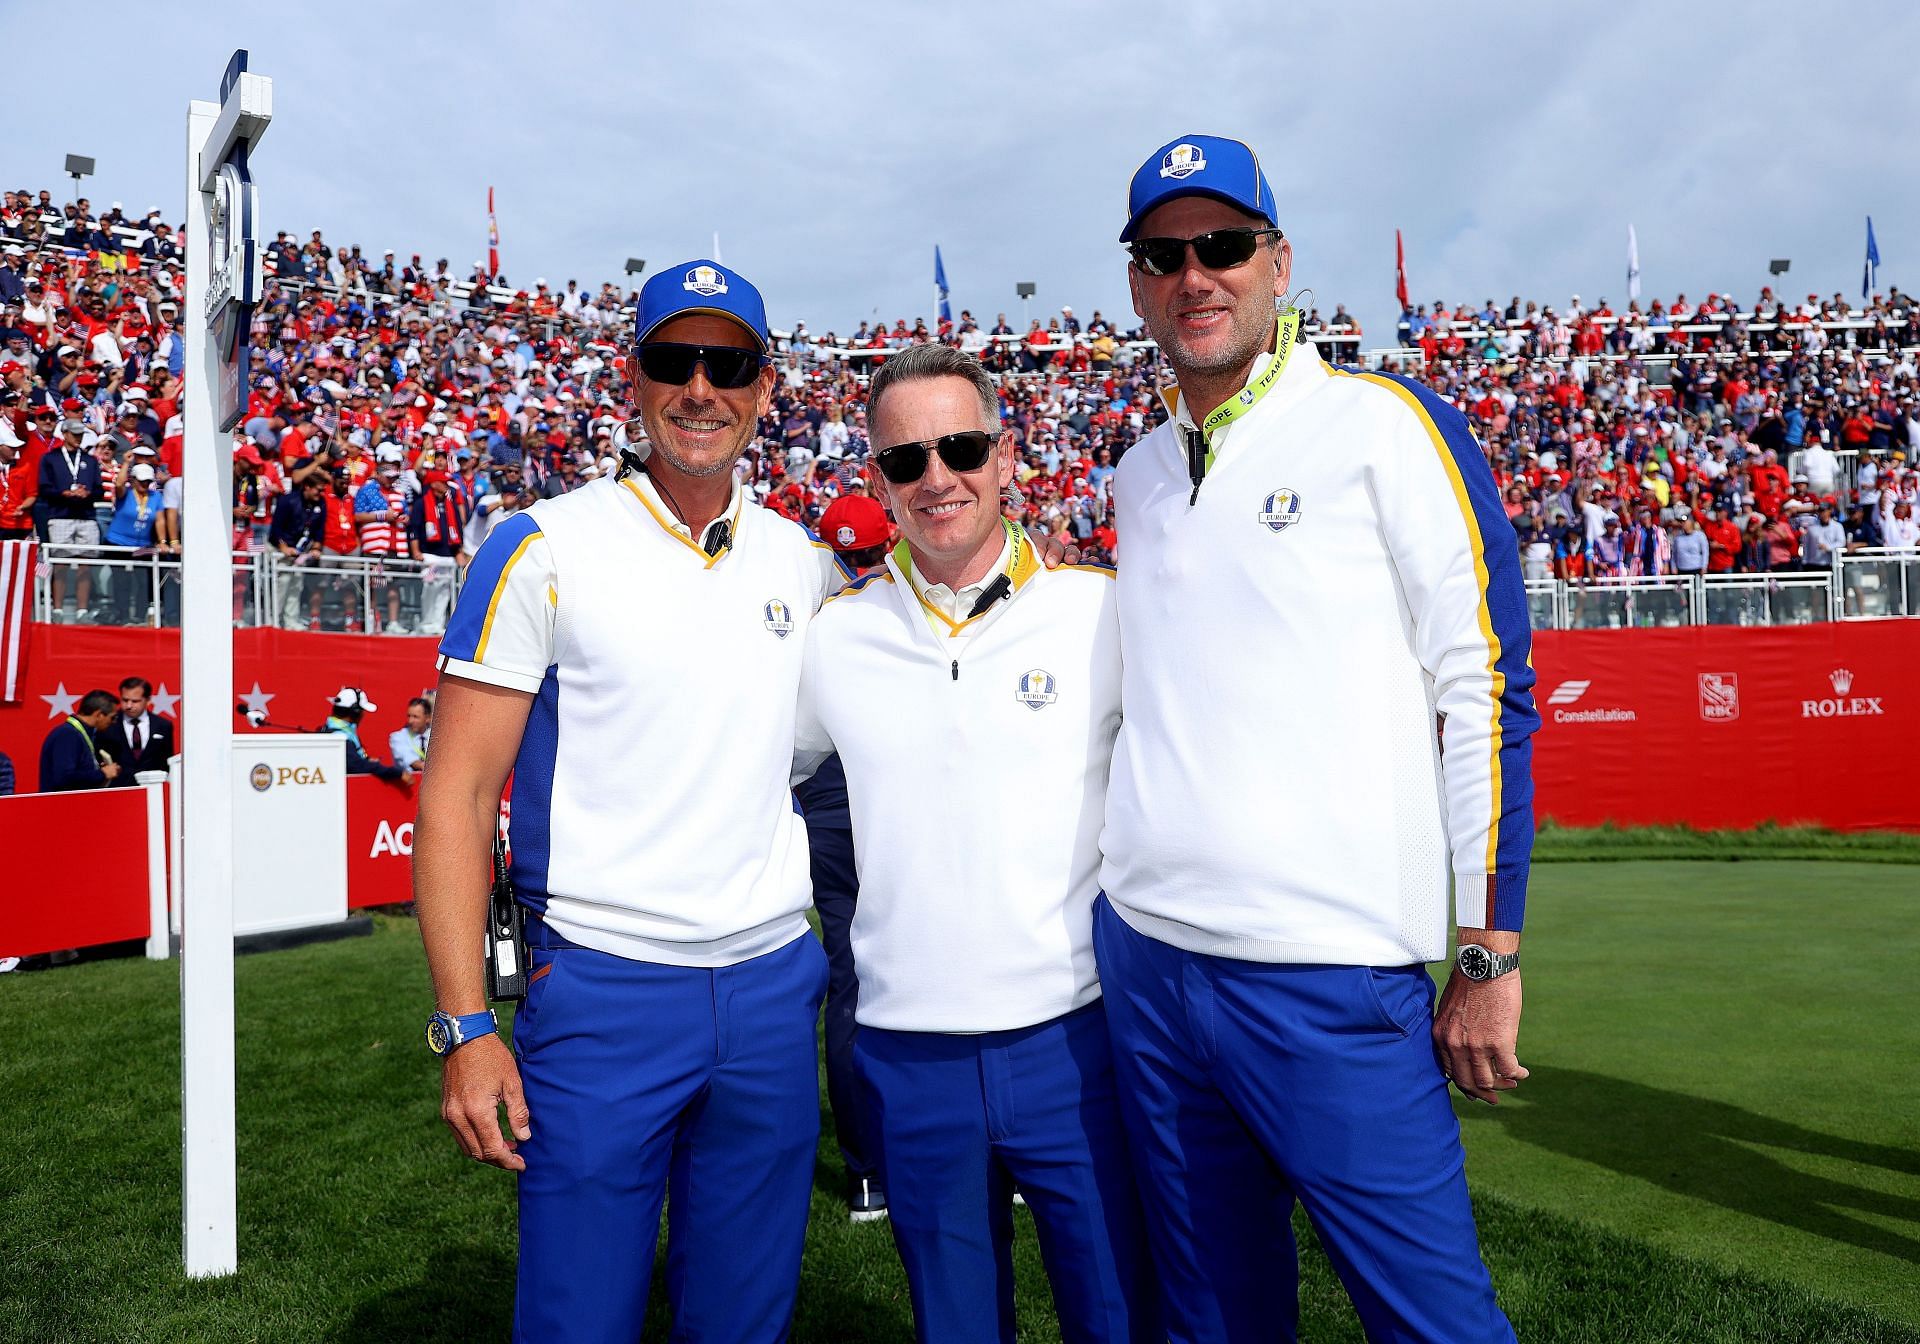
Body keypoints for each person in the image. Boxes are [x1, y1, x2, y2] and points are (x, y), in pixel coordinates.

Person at [1094, 134, 1538, 1343]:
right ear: (1137, 283)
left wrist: (1489, 953)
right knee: (1213, 1320)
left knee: (1435, 1321)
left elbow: (1487, 688)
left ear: (1278, 262)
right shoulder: (1136, 473)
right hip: (1146, 961)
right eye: (1165, 254)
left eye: (1225, 247)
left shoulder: (1386, 424)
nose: (1197, 275)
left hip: (1328, 972)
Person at [414, 260, 849, 1344]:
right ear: (633, 376)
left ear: (763, 386)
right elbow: (457, 796)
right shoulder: (542, 543)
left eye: (728, 364)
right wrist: (466, 1027)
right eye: (674, 360)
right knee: (576, 1319)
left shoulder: (807, 565)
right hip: (603, 989)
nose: (700, 387)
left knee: (746, 1319)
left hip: (766, 984)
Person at [794, 344, 1157, 1342]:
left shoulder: (1102, 612)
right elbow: (742, 784)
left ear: (1005, 459)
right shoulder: (833, 639)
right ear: (876, 481)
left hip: (1075, 1040)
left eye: (958, 448)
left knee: (1119, 1315)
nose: (936, 478)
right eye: (906, 460)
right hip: (908, 1056)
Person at [796, 489, 894, 1224]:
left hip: (828, 799)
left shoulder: (809, 615)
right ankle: (997, 1146)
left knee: (851, 983)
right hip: (884, 792)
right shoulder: (894, 606)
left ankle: (868, 1174)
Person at [39, 688, 121, 791]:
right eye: (112, 717)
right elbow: (64, 778)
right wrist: (102, 774)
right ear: (99, 715)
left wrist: (96, 770)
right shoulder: (67, 735)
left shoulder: (80, 734)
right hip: (61, 805)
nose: (113, 722)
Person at [321, 687, 409, 783]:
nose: (363, 714)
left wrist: (367, 761)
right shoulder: (339, 737)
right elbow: (356, 766)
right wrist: (393, 772)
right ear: (355, 712)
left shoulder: (339, 730)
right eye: (362, 710)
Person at [104, 676, 176, 784]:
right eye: (125, 700)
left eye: (135, 701)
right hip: (118, 789)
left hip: (153, 789)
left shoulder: (163, 725)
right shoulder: (107, 724)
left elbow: (166, 762)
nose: (129, 705)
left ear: (148, 700)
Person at [389, 695, 431, 774]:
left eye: (416, 717)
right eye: (409, 716)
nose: (410, 721)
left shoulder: (436, 737)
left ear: (427, 718)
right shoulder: (397, 737)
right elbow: (410, 760)